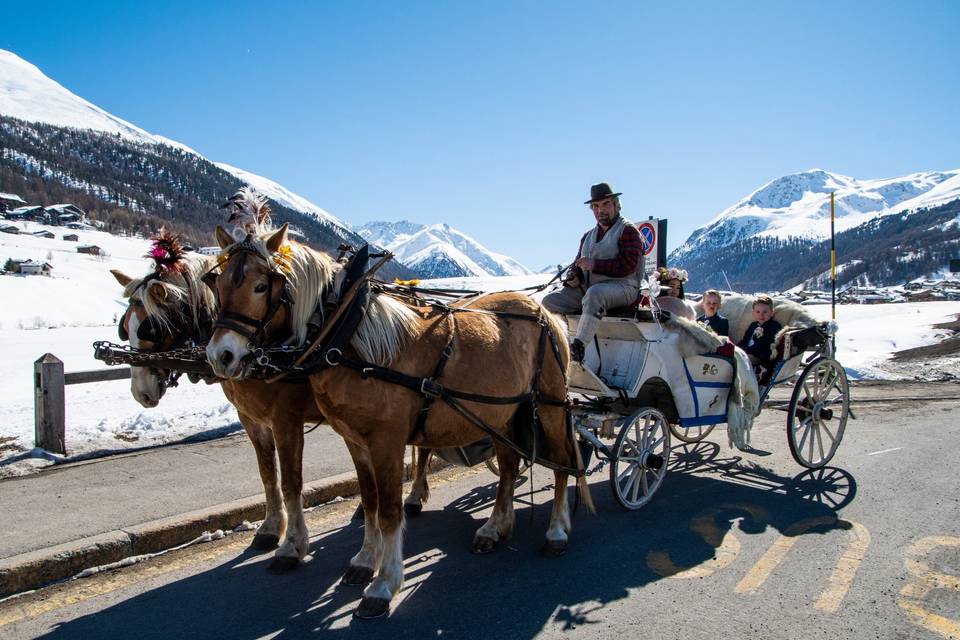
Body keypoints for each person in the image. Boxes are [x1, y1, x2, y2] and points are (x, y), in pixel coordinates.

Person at [542, 182, 644, 363]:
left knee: (595, 294)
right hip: (589, 289)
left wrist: (594, 265)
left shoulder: (628, 231)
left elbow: (627, 266)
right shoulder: (587, 236)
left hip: (624, 287)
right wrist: (573, 278)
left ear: (616, 204)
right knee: (549, 301)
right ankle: (559, 345)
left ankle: (578, 346)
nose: (600, 210)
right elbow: (577, 265)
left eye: (605, 204)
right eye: (595, 206)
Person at [737, 295, 782, 380]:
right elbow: (745, 340)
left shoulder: (774, 326)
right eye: (758, 312)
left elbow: (766, 343)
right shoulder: (753, 325)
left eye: (765, 312)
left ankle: (748, 379)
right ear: (753, 313)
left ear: (772, 312)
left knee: (742, 360)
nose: (761, 315)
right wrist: (737, 348)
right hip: (748, 352)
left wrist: (748, 351)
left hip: (760, 355)